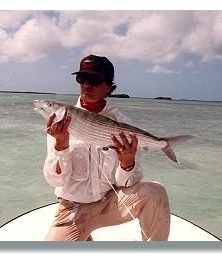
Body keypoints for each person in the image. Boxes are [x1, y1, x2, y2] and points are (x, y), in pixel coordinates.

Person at [43, 54, 170, 241]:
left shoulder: (123, 123)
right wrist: (61, 147)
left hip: (111, 203)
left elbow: (127, 184)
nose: (87, 85)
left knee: (155, 192)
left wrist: (127, 164)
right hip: (73, 207)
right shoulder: (59, 125)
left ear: (109, 87)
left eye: (94, 80)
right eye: (82, 79)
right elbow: (55, 180)